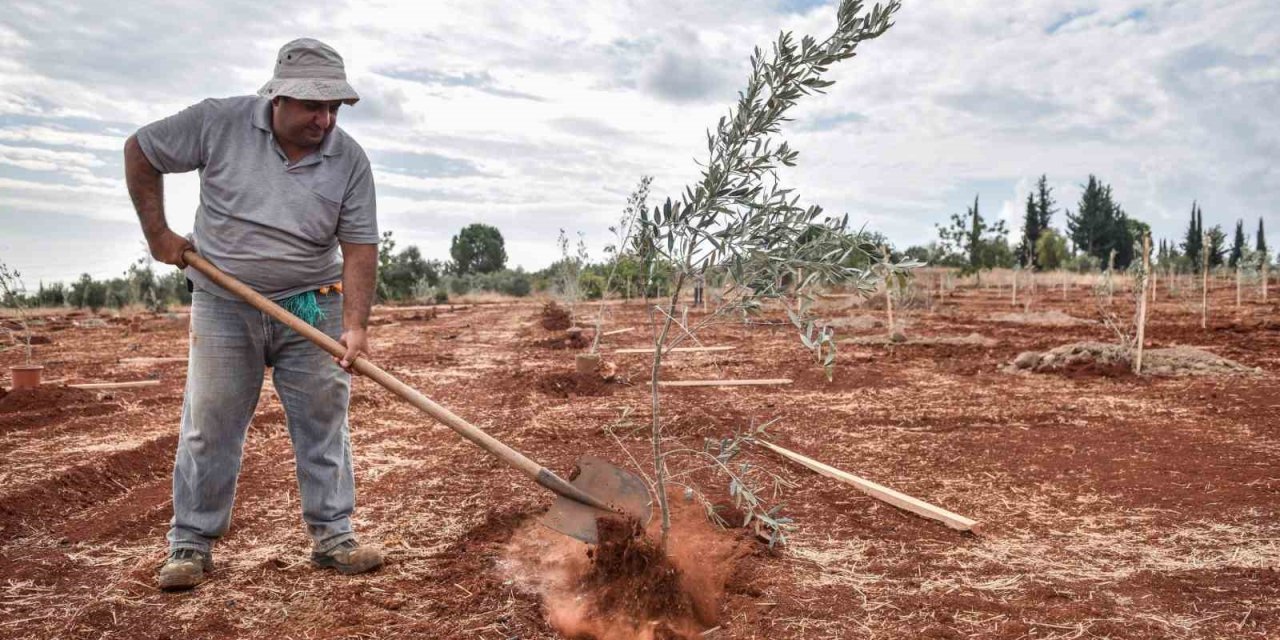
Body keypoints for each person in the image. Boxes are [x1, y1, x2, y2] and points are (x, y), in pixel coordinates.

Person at [124, 38, 384, 591]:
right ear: (278, 98)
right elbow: (141, 150)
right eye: (315, 106)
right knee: (210, 422)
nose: (326, 118)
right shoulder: (219, 121)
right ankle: (190, 543)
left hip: (314, 301)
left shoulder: (349, 159)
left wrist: (355, 326)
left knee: (323, 421)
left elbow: (360, 247)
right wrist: (159, 237)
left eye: (334, 107)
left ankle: (333, 535)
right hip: (224, 300)